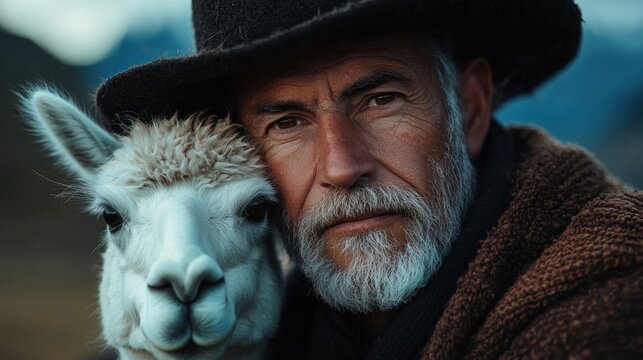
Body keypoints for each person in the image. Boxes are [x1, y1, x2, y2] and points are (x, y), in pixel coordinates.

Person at [95, 0, 642, 358]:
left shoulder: (611, 301)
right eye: (287, 122)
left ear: (469, 109)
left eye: (381, 101)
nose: (341, 166)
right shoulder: (280, 317)